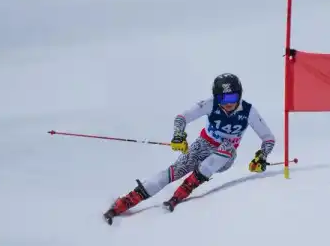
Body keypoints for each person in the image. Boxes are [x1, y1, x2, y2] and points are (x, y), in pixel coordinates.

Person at [103, 73, 276, 225]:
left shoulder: (249, 111)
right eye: (224, 99)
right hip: (203, 145)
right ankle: (128, 200)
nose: (229, 104)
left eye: (233, 98)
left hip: (225, 156)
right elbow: (182, 117)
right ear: (217, 97)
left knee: (226, 147)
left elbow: (268, 139)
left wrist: (261, 156)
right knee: (174, 170)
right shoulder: (210, 104)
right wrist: (179, 135)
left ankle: (188, 187)